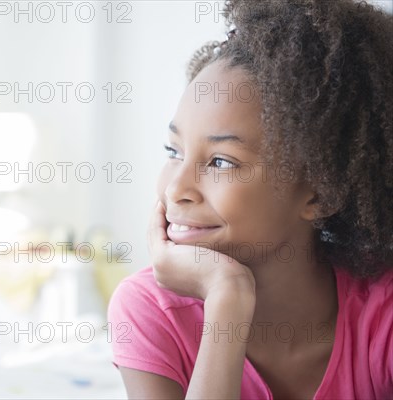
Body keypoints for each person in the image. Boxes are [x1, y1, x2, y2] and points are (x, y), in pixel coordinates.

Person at [107, 0, 393, 398]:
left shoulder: (383, 314)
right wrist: (228, 296)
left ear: (321, 192)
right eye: (174, 152)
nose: (175, 190)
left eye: (221, 162)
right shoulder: (150, 310)